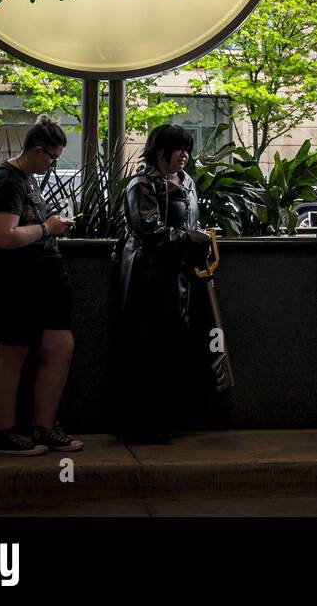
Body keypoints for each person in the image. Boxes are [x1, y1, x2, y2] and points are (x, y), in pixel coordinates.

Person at [0, 115, 82, 456]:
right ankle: (4, 434)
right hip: (15, 281)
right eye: (52, 157)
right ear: (37, 150)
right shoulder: (7, 181)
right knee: (11, 353)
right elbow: (3, 236)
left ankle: (44, 426)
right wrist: (47, 228)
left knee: (59, 346)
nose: (53, 164)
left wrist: (47, 228)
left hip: (42, 278)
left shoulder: (26, 178)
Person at [115, 124, 211, 445]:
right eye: (178, 149)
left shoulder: (187, 182)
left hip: (181, 276)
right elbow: (150, 231)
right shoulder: (141, 186)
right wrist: (193, 240)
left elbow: (189, 223)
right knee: (149, 348)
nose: (185, 155)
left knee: (174, 346)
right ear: (160, 152)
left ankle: (170, 417)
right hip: (150, 278)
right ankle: (144, 423)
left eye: (187, 149)